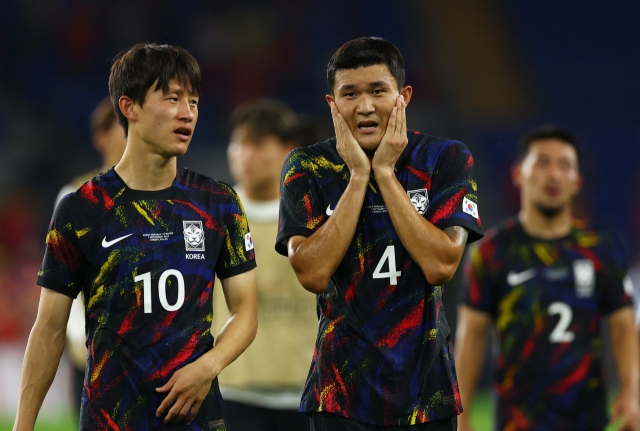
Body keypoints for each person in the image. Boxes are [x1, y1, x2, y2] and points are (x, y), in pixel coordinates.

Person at [13, 43, 258, 431]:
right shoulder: (82, 209)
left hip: (195, 417)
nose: (187, 113)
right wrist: (22, 426)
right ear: (129, 108)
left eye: (193, 102)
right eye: (172, 98)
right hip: (111, 416)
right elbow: (49, 329)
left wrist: (208, 366)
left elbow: (245, 312)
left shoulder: (219, 203)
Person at [276, 36, 484, 430]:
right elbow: (312, 273)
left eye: (377, 91)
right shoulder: (307, 167)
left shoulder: (445, 159)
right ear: (332, 104)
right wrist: (358, 176)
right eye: (349, 94)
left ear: (403, 96)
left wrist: (385, 174)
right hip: (339, 394)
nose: (365, 107)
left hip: (426, 395)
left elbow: (441, 264)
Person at [456, 125, 640, 431]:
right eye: (542, 163)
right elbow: (471, 335)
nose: (553, 174)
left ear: (577, 181)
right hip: (517, 420)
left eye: (564, 166)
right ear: (518, 174)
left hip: (586, 418)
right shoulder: (491, 252)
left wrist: (632, 391)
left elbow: (623, 329)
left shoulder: (601, 250)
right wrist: (462, 416)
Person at [212, 99, 317, 431]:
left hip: (306, 393)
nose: (245, 155)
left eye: (257, 144)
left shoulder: (317, 218)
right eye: (239, 144)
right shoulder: (211, 217)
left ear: (288, 149)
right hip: (233, 394)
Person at [53, 96, 127, 418]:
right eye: (123, 128)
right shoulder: (75, 196)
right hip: (92, 350)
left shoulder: (165, 196)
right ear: (101, 137)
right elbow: (61, 280)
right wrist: (80, 339)